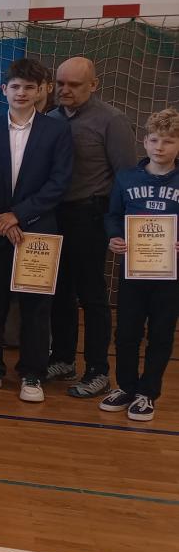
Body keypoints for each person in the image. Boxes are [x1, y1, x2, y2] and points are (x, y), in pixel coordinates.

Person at [0, 58, 73, 402]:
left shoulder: (57, 131)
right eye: (15, 86)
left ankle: (32, 374)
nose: (22, 93)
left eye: (30, 87)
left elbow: (59, 183)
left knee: (36, 308)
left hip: (37, 233)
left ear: (41, 90)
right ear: (4, 90)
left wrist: (18, 216)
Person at [47, 57, 139, 398]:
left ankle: (98, 370)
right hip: (56, 215)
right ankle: (63, 359)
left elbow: (127, 176)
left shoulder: (112, 120)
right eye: (60, 83)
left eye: (73, 84)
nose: (65, 90)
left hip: (91, 215)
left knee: (92, 295)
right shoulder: (51, 119)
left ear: (93, 85)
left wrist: (117, 226)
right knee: (59, 291)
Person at [101, 108, 179, 422]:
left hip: (170, 275)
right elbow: (112, 215)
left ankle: (148, 392)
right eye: (155, 140)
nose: (160, 147)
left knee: (160, 333)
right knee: (126, 332)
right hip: (133, 271)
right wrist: (114, 237)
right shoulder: (126, 177)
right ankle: (126, 386)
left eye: (169, 141)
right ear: (145, 142)